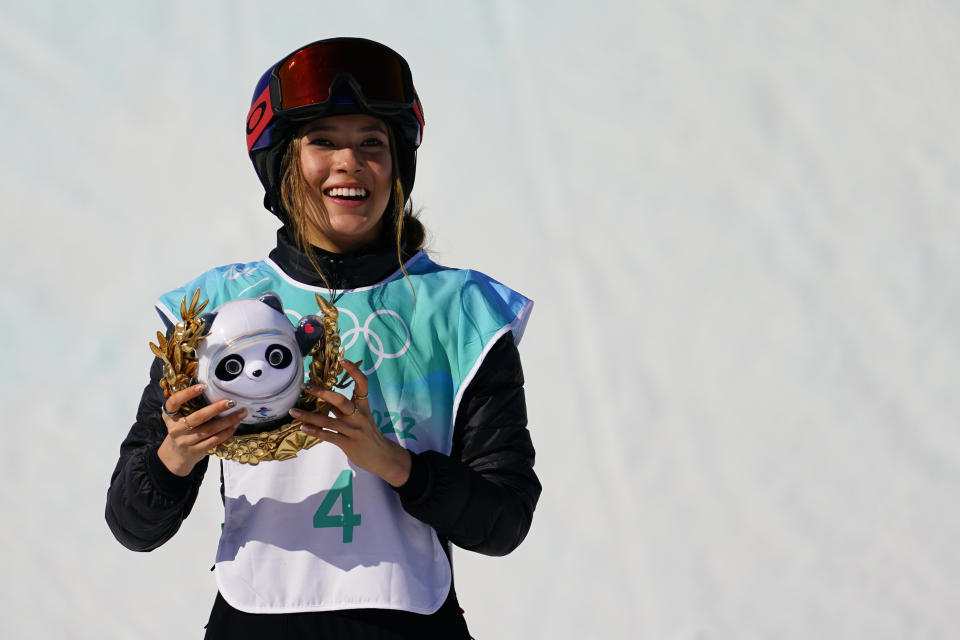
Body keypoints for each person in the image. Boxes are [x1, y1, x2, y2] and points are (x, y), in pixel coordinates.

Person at [105, 37, 539, 639]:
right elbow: (132, 524)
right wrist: (176, 455)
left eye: (371, 143)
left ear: (398, 166)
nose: (349, 163)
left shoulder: (462, 310)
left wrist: (396, 465)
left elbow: (505, 520)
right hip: (253, 622)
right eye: (324, 142)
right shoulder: (212, 314)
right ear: (284, 162)